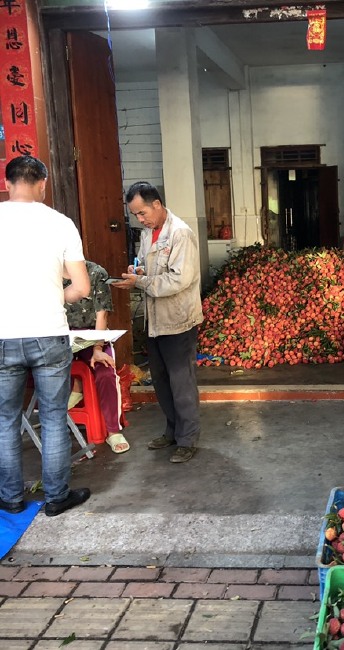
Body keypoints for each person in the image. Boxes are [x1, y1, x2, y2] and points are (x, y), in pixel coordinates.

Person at [0, 155, 91, 516]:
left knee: (5, 419)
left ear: (7, 184)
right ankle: (56, 498)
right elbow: (81, 287)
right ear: (42, 184)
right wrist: (55, 295)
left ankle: (10, 498)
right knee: (53, 417)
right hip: (49, 334)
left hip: (3, 336)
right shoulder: (60, 223)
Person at [112, 182, 203, 463]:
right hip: (155, 320)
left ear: (157, 205)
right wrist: (137, 270)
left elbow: (178, 279)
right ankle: (173, 431)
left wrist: (140, 281)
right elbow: (147, 266)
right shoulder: (149, 232)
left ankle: (188, 439)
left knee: (181, 382)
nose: (140, 219)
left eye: (142, 213)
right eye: (135, 215)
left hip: (178, 320)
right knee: (161, 381)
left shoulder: (180, 234)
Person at [65, 260, 130, 454]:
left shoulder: (95, 272)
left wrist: (98, 347)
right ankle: (74, 392)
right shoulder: (47, 272)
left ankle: (113, 430)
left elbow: (102, 315)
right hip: (61, 336)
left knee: (105, 371)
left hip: (93, 335)